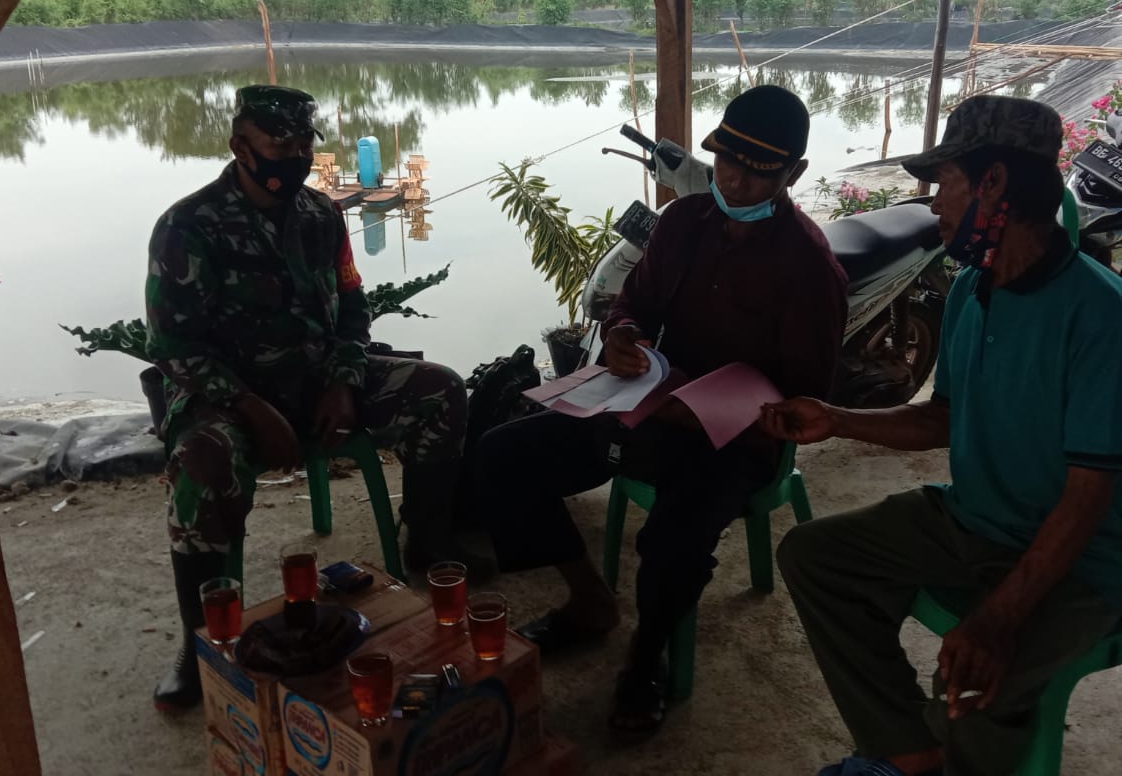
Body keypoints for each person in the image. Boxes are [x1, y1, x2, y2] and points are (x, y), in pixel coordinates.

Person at [762, 95, 1122, 776]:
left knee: (974, 679)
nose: (934, 206)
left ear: (994, 185)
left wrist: (999, 617)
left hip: (1086, 562)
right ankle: (909, 753)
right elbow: (942, 419)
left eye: (945, 184)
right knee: (816, 556)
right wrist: (837, 419)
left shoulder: (1102, 317)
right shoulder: (971, 289)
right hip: (975, 520)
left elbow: (1086, 498)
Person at [476, 85, 848, 733]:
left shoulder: (810, 268)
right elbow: (635, 307)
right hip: (647, 405)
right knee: (503, 457)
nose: (732, 179)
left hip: (738, 438)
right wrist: (622, 335)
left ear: (795, 175)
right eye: (725, 160)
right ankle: (589, 600)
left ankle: (645, 659)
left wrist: (706, 403)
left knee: (674, 539)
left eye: (757, 172)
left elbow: (803, 397)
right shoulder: (682, 224)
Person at [145, 85, 489, 712]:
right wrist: (253, 409)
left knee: (441, 390)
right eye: (281, 144)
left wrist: (343, 380)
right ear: (240, 146)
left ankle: (429, 542)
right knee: (200, 467)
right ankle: (199, 644)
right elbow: (172, 347)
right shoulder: (187, 227)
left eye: (304, 143)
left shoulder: (320, 217)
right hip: (227, 399)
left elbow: (352, 307)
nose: (295, 156)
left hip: (315, 381)